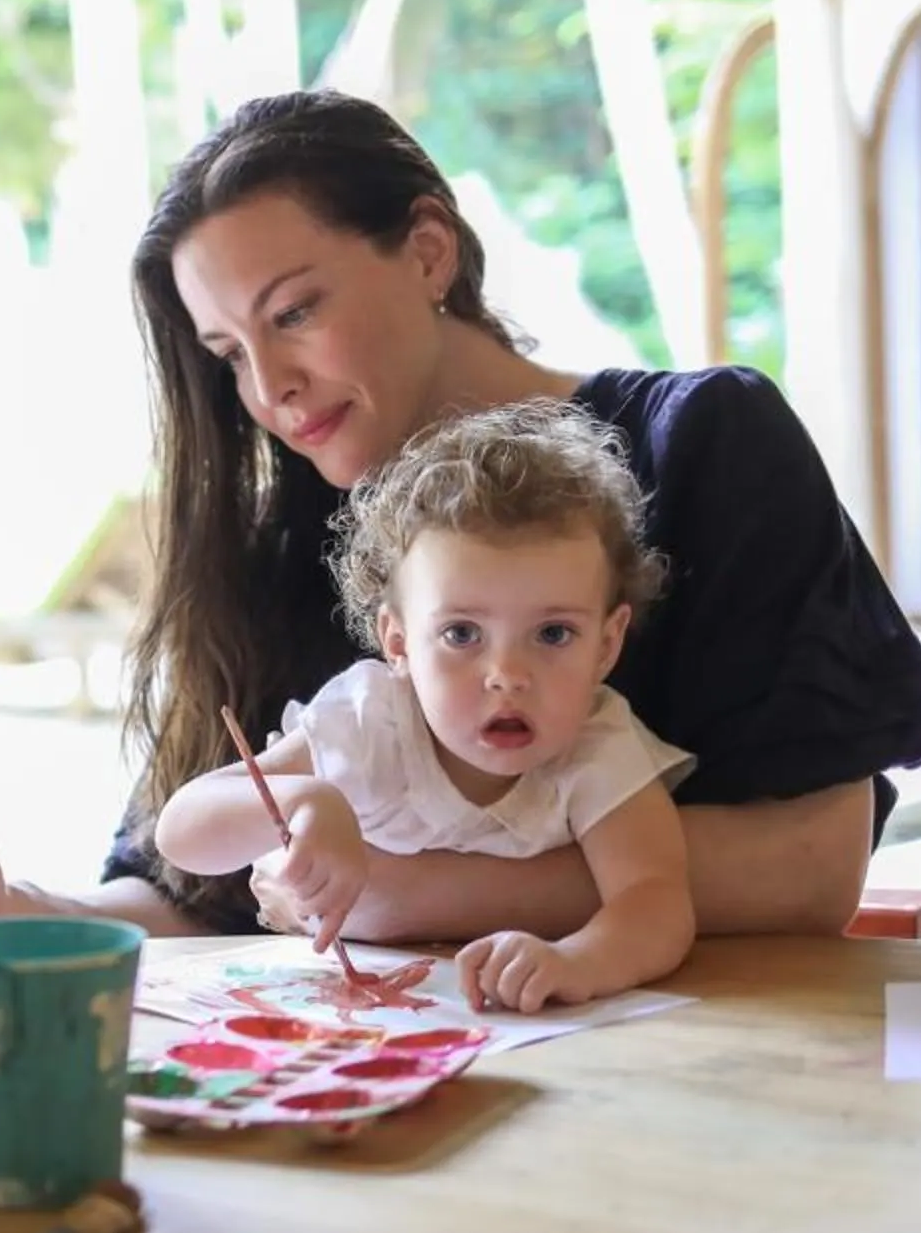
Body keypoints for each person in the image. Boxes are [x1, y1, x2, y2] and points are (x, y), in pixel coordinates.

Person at [0, 90, 921, 1233]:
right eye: (229, 355)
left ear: (428, 251)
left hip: (705, 1162)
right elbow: (186, 894)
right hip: (377, 1142)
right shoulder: (288, 541)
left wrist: (421, 893)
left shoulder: (701, 446)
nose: (273, 385)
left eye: (294, 312)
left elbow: (808, 863)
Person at [153, 399, 695, 1013]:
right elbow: (181, 832)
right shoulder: (370, 722)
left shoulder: (597, 746)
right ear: (399, 642)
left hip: (526, 1038)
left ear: (607, 643)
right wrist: (306, 798)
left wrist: (577, 962)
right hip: (348, 1025)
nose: (507, 676)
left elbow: (655, 902)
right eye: (462, 634)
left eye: (552, 634)